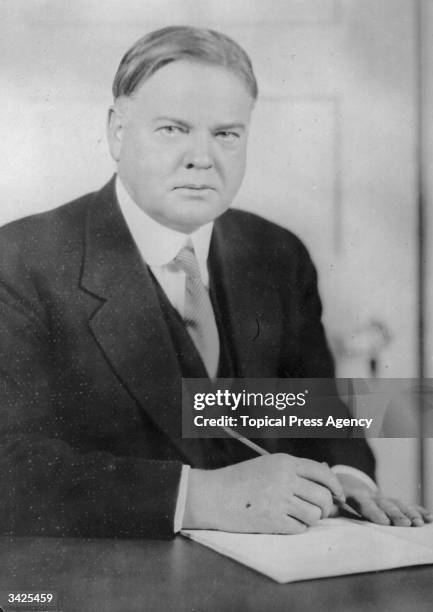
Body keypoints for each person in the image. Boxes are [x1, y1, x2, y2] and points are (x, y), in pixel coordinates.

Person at [0, 26, 430, 539]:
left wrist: (346, 479)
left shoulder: (278, 253)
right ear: (117, 131)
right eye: (172, 130)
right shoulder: (22, 259)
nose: (202, 158)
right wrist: (197, 497)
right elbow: (11, 463)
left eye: (226, 134)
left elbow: (318, 413)